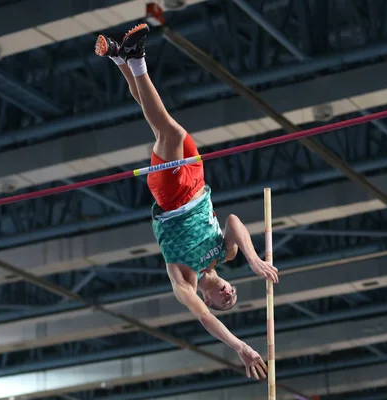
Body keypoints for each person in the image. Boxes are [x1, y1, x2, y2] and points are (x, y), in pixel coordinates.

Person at [95, 23, 279, 380]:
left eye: (225, 302)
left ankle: (137, 60)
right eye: (234, 295)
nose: (228, 295)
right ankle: (120, 57)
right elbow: (234, 222)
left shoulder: (185, 281)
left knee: (169, 131)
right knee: (161, 125)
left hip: (172, 196)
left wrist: (240, 347)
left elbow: (205, 319)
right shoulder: (225, 255)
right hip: (197, 182)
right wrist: (254, 260)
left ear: (210, 300)